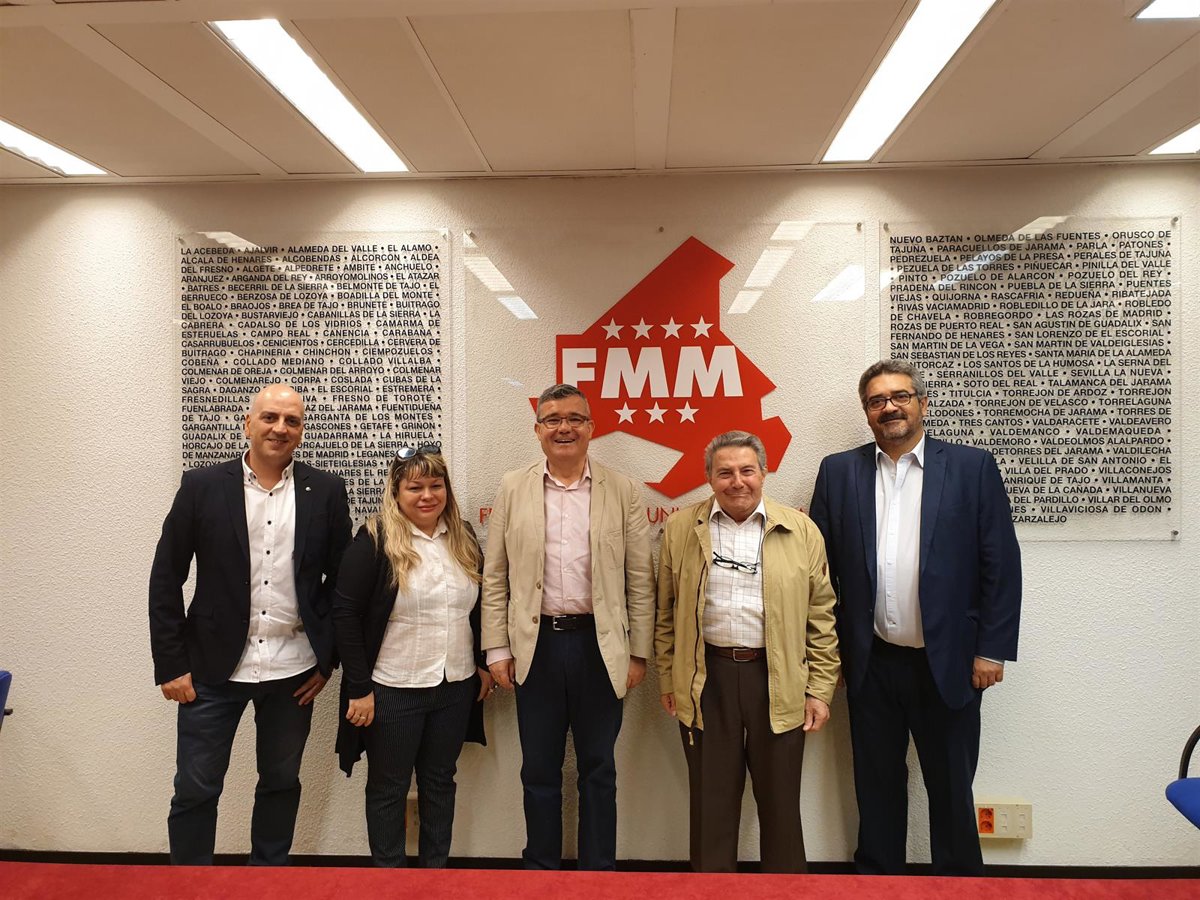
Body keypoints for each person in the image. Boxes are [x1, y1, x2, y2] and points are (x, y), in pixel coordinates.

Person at [809, 359, 1022, 876]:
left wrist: (991, 650)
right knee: (876, 785)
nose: (889, 407)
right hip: (871, 662)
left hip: (949, 662)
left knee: (951, 786)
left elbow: (1000, 564)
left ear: (922, 404)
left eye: (900, 396)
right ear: (866, 412)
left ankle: (960, 885)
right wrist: (826, 658)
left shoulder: (971, 468)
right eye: (877, 400)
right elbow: (817, 572)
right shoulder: (838, 473)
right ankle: (878, 881)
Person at [149, 383, 351, 865]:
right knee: (196, 788)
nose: (280, 428)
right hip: (210, 672)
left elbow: (341, 583)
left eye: (292, 421)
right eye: (270, 417)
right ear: (248, 423)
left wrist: (327, 659)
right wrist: (171, 664)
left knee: (280, 783)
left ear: (301, 431)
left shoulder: (325, 491)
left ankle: (267, 882)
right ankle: (190, 888)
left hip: (293, 670)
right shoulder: (201, 486)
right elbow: (165, 577)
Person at [481, 383, 656, 870]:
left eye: (575, 419)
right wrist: (497, 649)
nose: (564, 428)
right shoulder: (513, 487)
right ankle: (542, 869)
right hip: (535, 648)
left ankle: (598, 872)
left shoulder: (621, 489)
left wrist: (638, 652)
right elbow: (495, 576)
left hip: (601, 648)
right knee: (539, 768)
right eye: (553, 419)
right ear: (537, 430)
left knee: (599, 768)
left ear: (591, 428)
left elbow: (640, 579)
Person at [654, 430, 839, 873]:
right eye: (725, 473)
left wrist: (820, 689)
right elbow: (665, 613)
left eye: (747, 470)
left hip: (778, 679)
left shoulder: (800, 530)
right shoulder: (681, 529)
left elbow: (822, 616)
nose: (737, 481)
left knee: (781, 802)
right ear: (709, 478)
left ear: (764, 472)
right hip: (706, 678)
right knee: (711, 802)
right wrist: (669, 679)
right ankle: (712, 889)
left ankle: (784, 890)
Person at [333, 445, 494, 867]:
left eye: (435, 486)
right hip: (393, 689)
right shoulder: (375, 539)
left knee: (440, 782)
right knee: (389, 788)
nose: (427, 496)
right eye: (415, 487)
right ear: (396, 492)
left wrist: (481, 663)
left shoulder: (462, 537)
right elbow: (345, 615)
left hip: (454, 686)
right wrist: (359, 688)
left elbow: (476, 608)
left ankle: (433, 877)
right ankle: (391, 882)